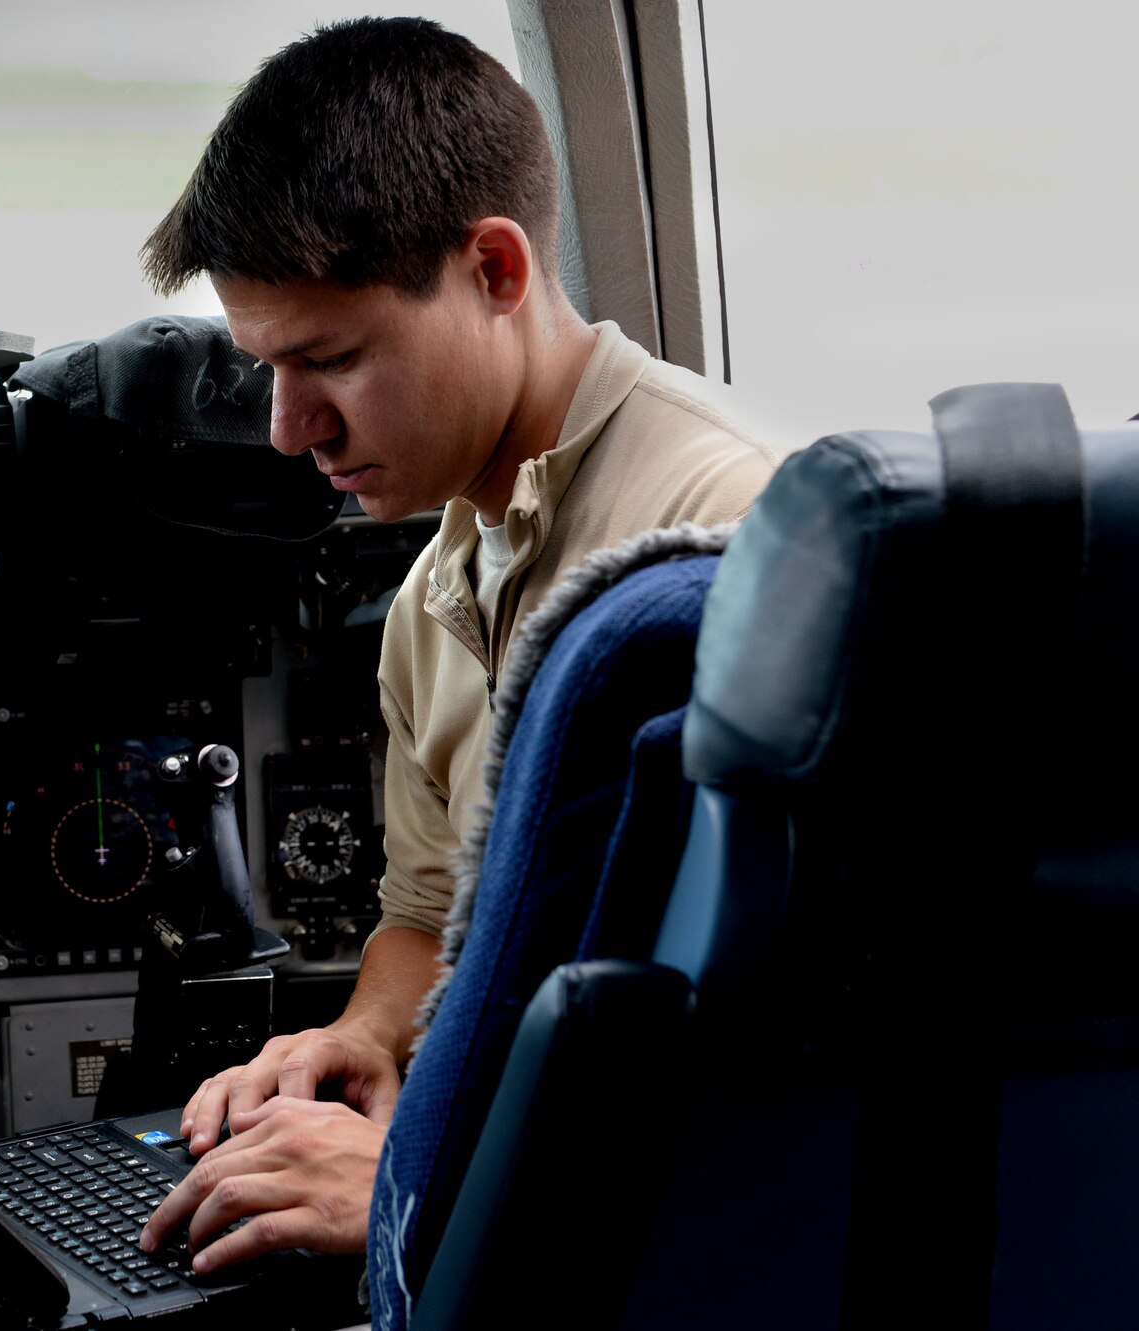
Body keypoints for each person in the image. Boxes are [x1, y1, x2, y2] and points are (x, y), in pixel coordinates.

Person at [133, 17, 781, 1274]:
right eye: (266, 366)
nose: (286, 428)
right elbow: (431, 911)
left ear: (493, 267)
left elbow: (777, 1025)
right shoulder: (439, 587)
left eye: (328, 358)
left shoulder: (723, 542)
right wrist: (369, 1034)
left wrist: (417, 1168)